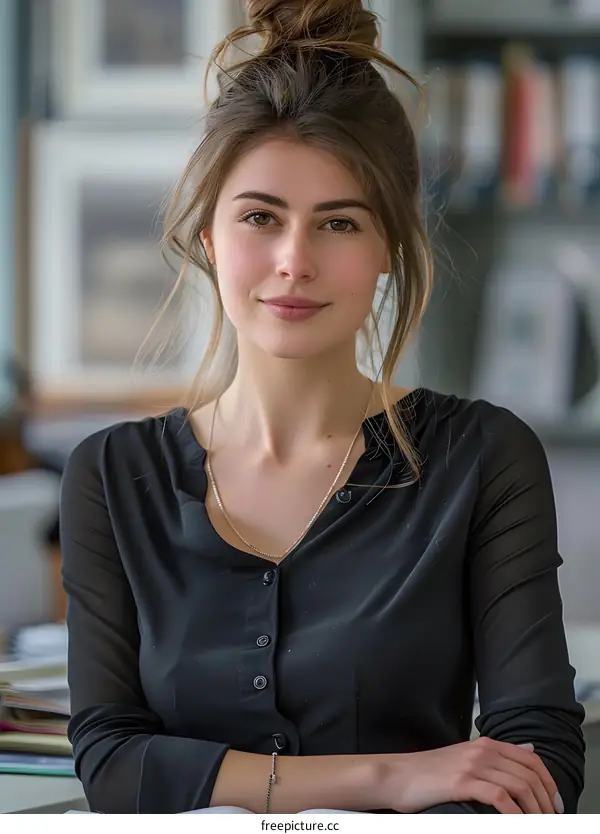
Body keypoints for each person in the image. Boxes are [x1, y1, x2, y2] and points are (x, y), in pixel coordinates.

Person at [59, 0, 585, 815]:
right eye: (260, 217)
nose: (294, 262)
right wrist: (387, 776)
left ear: (386, 249)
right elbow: (112, 761)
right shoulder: (110, 476)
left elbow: (535, 759)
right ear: (210, 235)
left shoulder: (483, 457)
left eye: (338, 223)